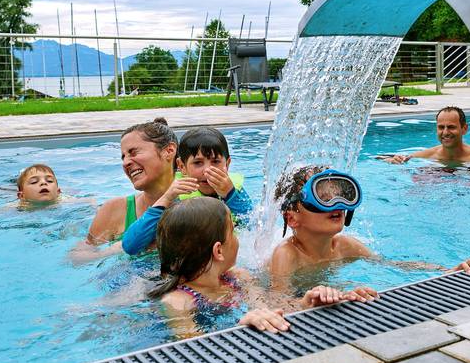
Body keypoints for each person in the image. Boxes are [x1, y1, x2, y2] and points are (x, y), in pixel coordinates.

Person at [149, 197, 376, 338]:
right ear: (218, 251)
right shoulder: (178, 302)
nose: (238, 239)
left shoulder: (238, 278)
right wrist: (240, 325)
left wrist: (310, 302)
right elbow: (193, 350)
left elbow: (270, 307)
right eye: (233, 232)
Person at [269, 166, 470, 287]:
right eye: (323, 197)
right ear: (292, 219)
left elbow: (395, 266)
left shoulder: (345, 246)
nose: (338, 203)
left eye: (341, 193)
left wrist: (448, 270)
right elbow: (277, 303)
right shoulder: (287, 255)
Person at [121, 127, 252, 255]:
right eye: (198, 163)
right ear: (182, 167)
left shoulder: (235, 192)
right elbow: (130, 246)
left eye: (216, 161)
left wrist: (230, 195)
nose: (207, 170)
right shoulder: (177, 197)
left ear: (227, 164)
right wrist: (166, 199)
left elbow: (255, 228)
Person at [70, 118, 182, 262]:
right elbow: (76, 259)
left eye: (133, 153)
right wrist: (114, 250)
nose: (126, 162)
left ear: (169, 151)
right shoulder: (115, 210)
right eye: (123, 157)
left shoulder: (199, 203)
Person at [384, 106, 470, 164]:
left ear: (464, 129)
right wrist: (392, 160)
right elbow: (383, 158)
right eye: (441, 127)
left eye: (451, 127)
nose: (445, 132)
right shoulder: (426, 155)